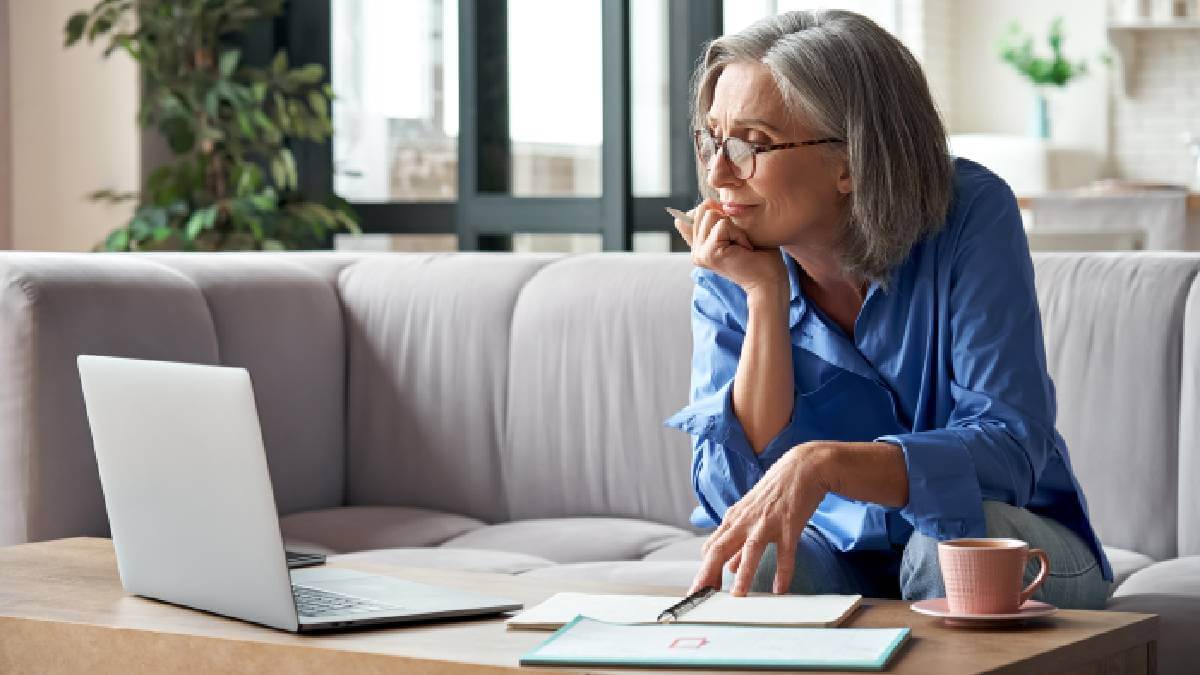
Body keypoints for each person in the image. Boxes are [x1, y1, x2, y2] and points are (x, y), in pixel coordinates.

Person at [664, 9, 1111, 609]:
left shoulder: (970, 214)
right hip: (839, 552)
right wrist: (764, 298)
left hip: (1012, 540)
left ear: (850, 161)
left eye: (753, 144)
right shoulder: (734, 255)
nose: (719, 173)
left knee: (945, 548)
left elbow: (1010, 449)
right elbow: (735, 494)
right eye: (712, 139)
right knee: (759, 561)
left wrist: (826, 464)